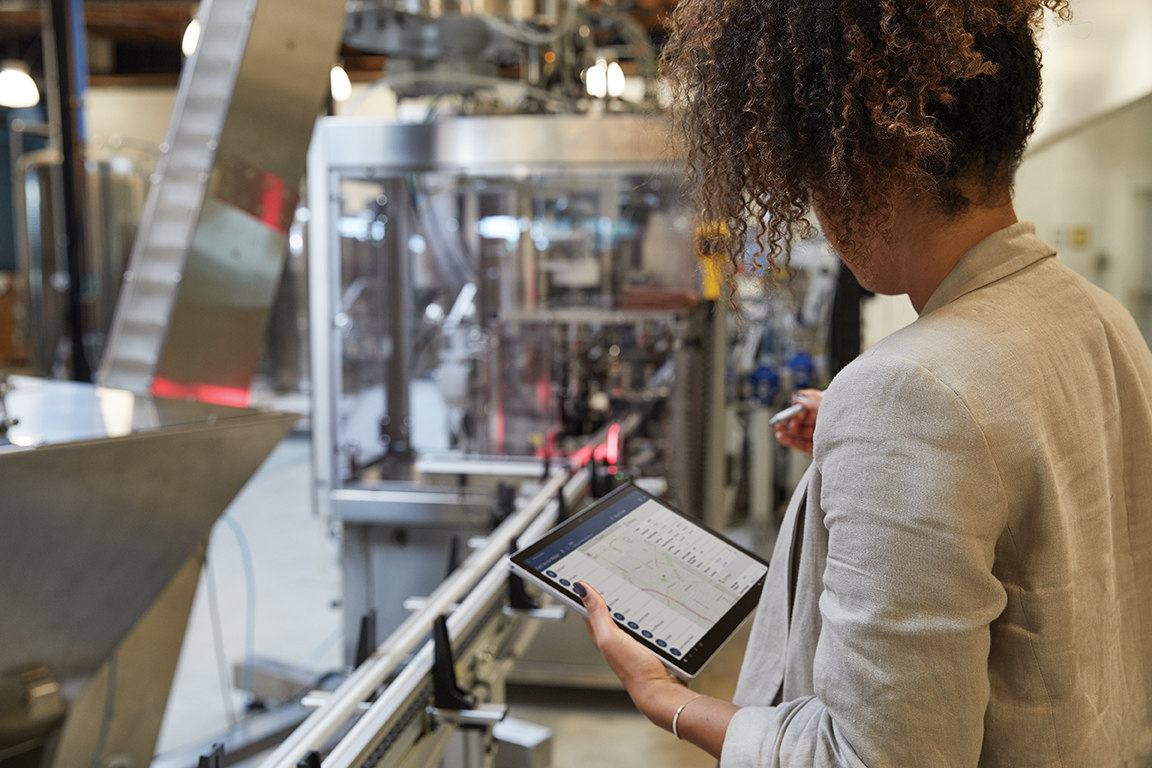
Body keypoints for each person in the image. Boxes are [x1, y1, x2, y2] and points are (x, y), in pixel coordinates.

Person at [572, 1, 1152, 765]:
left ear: (867, 159)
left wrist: (667, 700)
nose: (816, 210)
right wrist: (864, 454)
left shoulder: (910, 393)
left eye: (814, 171)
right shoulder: (1100, 319)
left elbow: (870, 757)